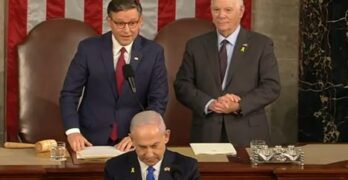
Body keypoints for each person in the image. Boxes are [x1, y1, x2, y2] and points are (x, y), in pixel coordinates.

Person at [59, 0, 168, 152]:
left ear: (141, 21)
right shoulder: (89, 48)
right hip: (89, 140)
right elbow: (69, 94)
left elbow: (158, 100)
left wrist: (137, 135)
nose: (127, 30)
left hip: (133, 141)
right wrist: (73, 131)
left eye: (133, 23)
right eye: (120, 24)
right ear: (109, 21)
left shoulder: (154, 52)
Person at [174, 0, 281, 146]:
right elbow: (182, 85)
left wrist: (239, 105)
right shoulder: (195, 45)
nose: (221, 15)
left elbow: (271, 87)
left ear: (241, 11)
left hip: (248, 134)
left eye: (228, 10)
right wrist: (210, 103)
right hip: (207, 133)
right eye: (216, 10)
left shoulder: (261, 44)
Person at [104, 110, 200, 180]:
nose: (149, 154)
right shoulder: (115, 168)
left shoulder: (187, 168)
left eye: (154, 146)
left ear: (166, 136)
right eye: (142, 147)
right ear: (132, 140)